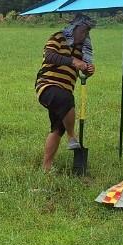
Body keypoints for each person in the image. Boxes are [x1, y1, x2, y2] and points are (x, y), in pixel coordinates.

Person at [35, 14, 95, 172]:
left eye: (87, 32)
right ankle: (72, 136)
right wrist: (73, 61)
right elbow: (49, 56)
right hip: (47, 85)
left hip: (66, 88)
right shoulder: (58, 38)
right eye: (82, 31)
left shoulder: (84, 49)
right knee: (66, 99)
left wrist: (89, 70)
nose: (85, 35)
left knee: (57, 128)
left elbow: (84, 70)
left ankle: (46, 167)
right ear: (73, 29)